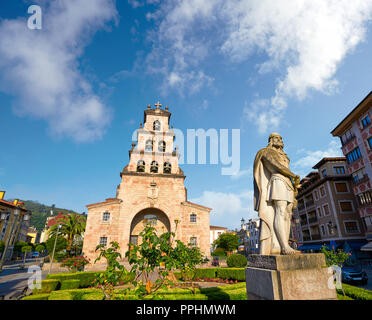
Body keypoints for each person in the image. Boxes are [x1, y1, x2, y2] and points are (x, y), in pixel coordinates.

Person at [253, 133, 301, 255]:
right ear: (271, 140)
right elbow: (276, 165)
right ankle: (284, 247)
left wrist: (294, 183)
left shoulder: (285, 156)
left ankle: (283, 245)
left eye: (281, 138)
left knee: (287, 215)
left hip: (288, 184)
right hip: (278, 181)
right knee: (280, 212)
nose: (280, 140)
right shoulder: (265, 152)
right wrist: (293, 175)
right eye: (276, 138)